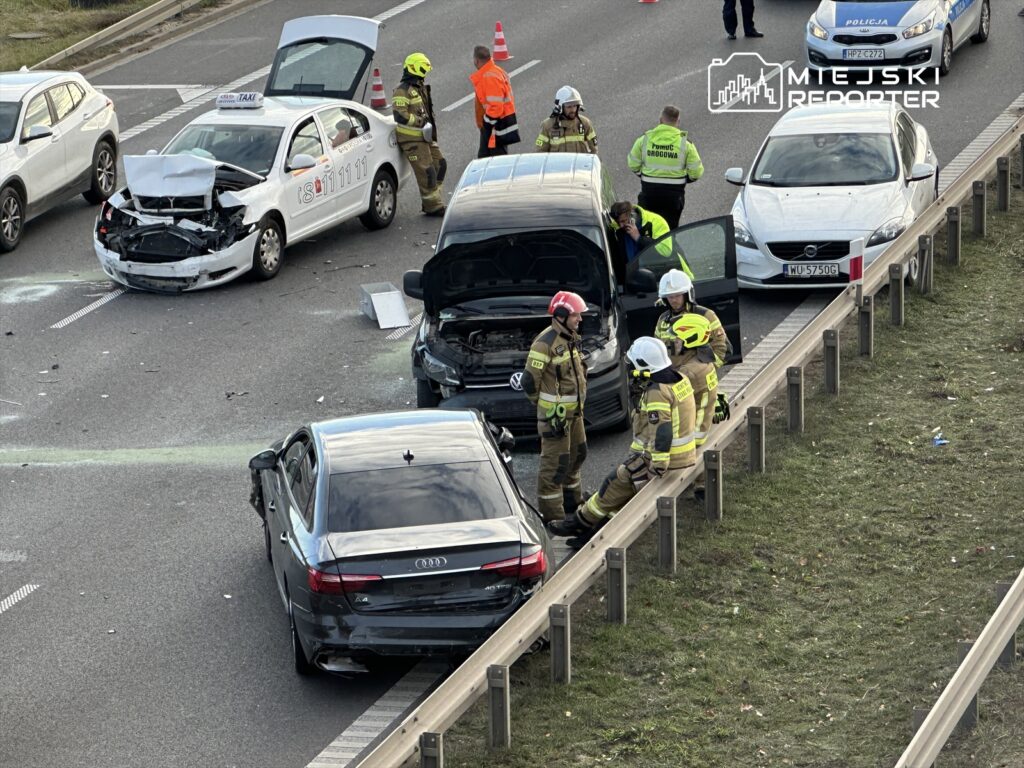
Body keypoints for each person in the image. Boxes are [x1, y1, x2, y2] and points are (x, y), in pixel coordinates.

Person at [548, 337, 695, 547]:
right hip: (682, 456)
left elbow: (661, 431)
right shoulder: (680, 379)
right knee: (620, 496)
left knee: (613, 484)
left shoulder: (657, 392)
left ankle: (578, 522)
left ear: (645, 365)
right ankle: (592, 535)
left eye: (635, 365)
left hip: (664, 461)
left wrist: (657, 466)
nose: (632, 370)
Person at [654, 269, 732, 501]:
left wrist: (703, 372)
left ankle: (701, 484)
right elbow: (659, 351)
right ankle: (680, 477)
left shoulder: (706, 315)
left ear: (687, 294)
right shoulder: (663, 320)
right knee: (679, 434)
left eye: (677, 295)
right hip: (673, 385)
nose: (674, 300)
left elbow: (723, 350)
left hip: (698, 385)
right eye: (669, 297)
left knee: (699, 435)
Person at [520, 291, 589, 523]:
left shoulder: (571, 338)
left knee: (578, 455)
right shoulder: (544, 344)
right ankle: (554, 518)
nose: (579, 319)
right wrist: (547, 410)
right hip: (556, 418)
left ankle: (573, 504)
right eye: (576, 315)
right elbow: (529, 381)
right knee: (555, 466)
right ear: (560, 315)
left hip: (575, 414)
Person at [627, 106, 704, 228]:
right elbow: (696, 173)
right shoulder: (685, 143)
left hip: (649, 193)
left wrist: (646, 176)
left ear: (660, 120)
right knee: (670, 230)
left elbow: (633, 164)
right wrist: (682, 179)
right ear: (678, 122)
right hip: (673, 196)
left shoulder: (644, 139)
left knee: (647, 227)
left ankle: (647, 246)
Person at [393, 52, 447, 216]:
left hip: (425, 137)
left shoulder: (419, 87)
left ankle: (434, 198)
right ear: (414, 69)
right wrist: (419, 121)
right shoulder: (402, 91)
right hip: (412, 140)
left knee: (440, 165)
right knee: (427, 172)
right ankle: (433, 206)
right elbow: (399, 116)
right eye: (423, 69)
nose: (425, 74)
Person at [608, 201, 692, 286]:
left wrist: (639, 238)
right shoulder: (617, 229)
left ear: (632, 216)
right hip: (641, 282)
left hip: (672, 278)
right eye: (618, 222)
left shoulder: (656, 222)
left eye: (623, 221)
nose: (621, 225)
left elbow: (665, 252)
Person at [469, 45, 520, 158]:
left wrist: (486, 123)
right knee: (486, 161)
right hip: (497, 126)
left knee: (492, 163)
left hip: (494, 128)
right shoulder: (495, 71)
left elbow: (496, 107)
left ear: (476, 60)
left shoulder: (489, 77)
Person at [535, 86, 597, 154]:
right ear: (560, 107)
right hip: (558, 165)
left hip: (579, 164)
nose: (573, 110)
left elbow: (594, 151)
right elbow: (540, 153)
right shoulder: (547, 126)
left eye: (575, 106)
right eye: (569, 107)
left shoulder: (585, 123)